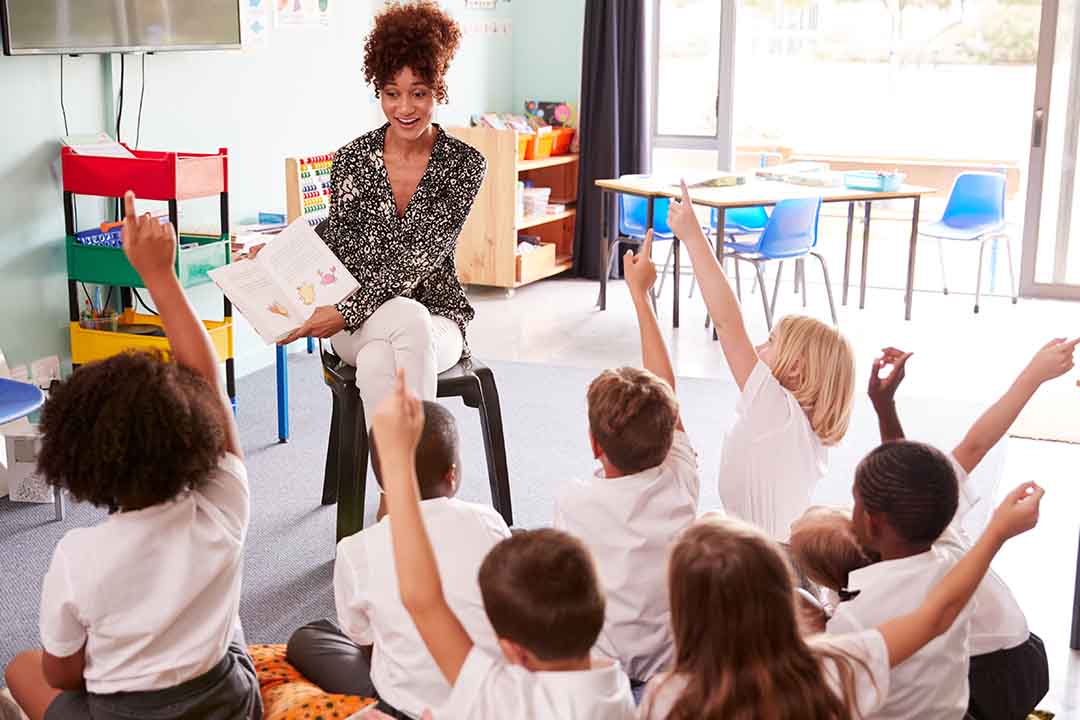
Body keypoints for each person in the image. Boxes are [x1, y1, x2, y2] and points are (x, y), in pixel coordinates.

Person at [4, 192, 261, 720]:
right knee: (228, 631)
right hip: (230, 702)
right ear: (193, 433)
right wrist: (160, 276)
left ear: (82, 464)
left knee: (21, 670)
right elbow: (210, 387)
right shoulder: (223, 503)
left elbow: (63, 675)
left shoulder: (79, 556)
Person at [638, 480, 1044, 720]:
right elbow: (938, 615)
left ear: (682, 609)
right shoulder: (840, 663)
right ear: (777, 590)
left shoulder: (666, 693)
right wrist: (996, 533)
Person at [251, 1, 485, 415]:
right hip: (356, 320)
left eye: (419, 93)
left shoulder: (464, 165)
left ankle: (395, 480)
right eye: (391, 94)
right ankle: (415, 478)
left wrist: (344, 312)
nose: (405, 108)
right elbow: (339, 236)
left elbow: (418, 257)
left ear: (439, 89)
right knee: (401, 326)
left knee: (390, 346)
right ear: (378, 89)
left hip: (435, 318)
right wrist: (277, 254)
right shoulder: (352, 159)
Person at [371, 371, 636, 719]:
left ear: (512, 651)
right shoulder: (615, 689)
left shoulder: (503, 696)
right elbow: (424, 602)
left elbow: (422, 600)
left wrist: (397, 462)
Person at [864, 339, 1074, 719]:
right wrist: (1035, 374)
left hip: (997, 672)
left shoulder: (896, 570)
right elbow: (961, 452)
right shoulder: (927, 520)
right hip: (1021, 653)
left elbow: (963, 450)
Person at [285, 403, 510, 718]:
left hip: (403, 706)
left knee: (309, 637)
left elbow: (366, 644)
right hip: (488, 691)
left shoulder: (355, 550)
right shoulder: (488, 521)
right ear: (453, 474)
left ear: (383, 481)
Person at [666, 181, 855, 540]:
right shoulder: (799, 428)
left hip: (763, 565)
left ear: (797, 368)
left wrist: (693, 237)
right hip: (770, 550)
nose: (756, 347)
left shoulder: (779, 412)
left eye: (770, 341)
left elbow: (727, 322)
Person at [553, 230, 700, 692]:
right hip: (670, 660)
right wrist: (642, 296)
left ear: (595, 445)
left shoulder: (574, 501)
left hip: (602, 661)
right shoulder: (681, 476)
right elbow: (666, 387)